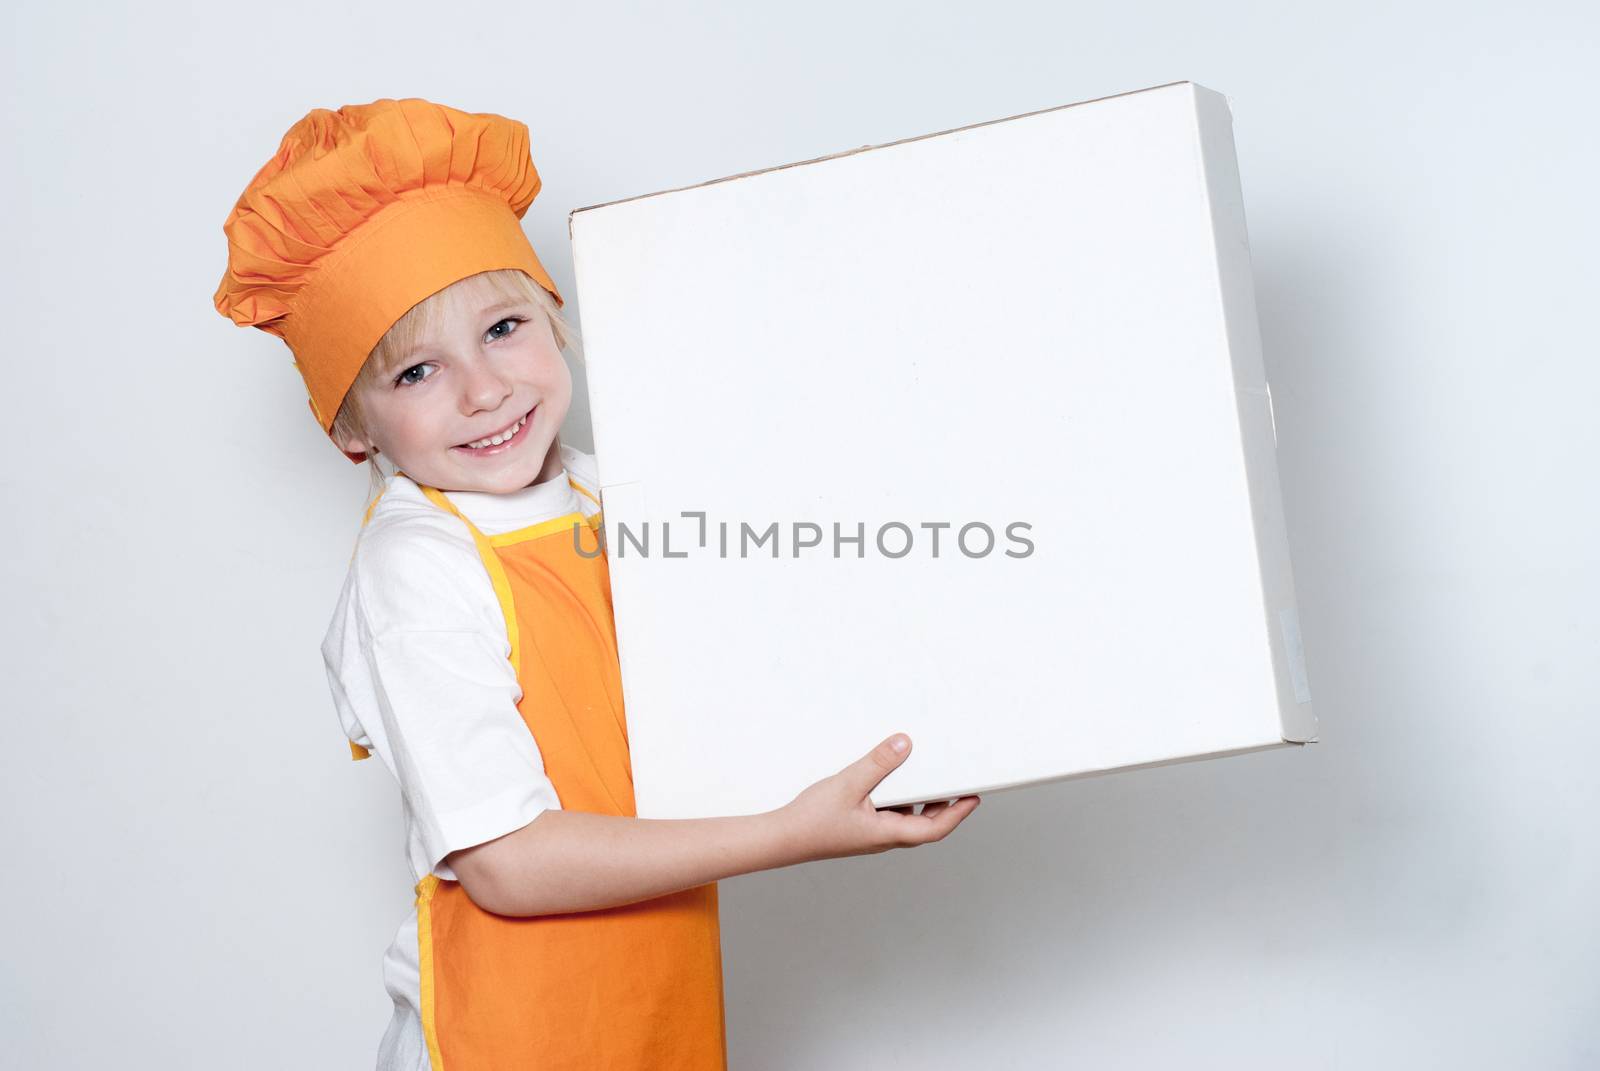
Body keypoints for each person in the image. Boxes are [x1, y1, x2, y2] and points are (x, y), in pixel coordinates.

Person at [213, 97, 981, 1070]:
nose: (483, 389)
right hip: (509, 1041)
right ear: (348, 427)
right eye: (414, 373)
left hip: (650, 1014)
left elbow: (751, 645)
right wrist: (791, 834)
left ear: (556, 319)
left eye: (502, 326)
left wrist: (885, 750)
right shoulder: (417, 569)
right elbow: (507, 864)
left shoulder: (596, 488)